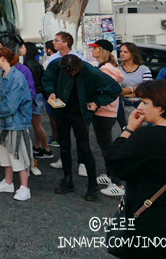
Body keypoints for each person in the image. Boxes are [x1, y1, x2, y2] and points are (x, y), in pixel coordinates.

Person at [106, 80, 166, 259]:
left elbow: (116, 163)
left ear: (162, 108)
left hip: (149, 218)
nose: (140, 107)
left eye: (145, 102)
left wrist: (128, 129)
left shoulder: (148, 137)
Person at [43, 53, 122, 201]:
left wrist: (98, 102)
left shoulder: (91, 71)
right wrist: (51, 91)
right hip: (62, 111)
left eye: (74, 71)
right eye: (69, 72)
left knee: (84, 148)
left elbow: (115, 88)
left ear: (79, 67)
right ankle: (67, 179)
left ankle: (92, 185)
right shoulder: (57, 65)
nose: (72, 74)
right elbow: (47, 78)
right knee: (64, 146)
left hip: (80, 113)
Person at [0, 47, 33, 201]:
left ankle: (24, 187)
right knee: (6, 154)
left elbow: (11, 104)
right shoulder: (2, 74)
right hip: (5, 121)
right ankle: (8, 183)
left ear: (2, 58)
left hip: (17, 122)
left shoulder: (17, 77)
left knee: (19, 154)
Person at [89, 40, 125, 197]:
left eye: (95, 48)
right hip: (107, 112)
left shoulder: (105, 69)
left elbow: (105, 91)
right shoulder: (109, 67)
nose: (92, 51)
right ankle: (110, 175)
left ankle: (117, 183)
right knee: (105, 145)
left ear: (101, 50)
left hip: (104, 111)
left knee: (107, 147)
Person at [45, 32, 84, 155]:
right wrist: (51, 91)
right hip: (58, 103)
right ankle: (63, 160)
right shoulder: (53, 58)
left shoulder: (78, 58)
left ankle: (82, 163)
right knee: (62, 135)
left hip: (76, 104)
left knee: (81, 138)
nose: (53, 42)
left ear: (66, 43)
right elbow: (48, 77)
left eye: (56, 40)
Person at [20, 42, 50, 158]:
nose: (21, 49)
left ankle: (46, 148)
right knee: (36, 123)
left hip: (35, 96)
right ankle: (38, 147)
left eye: (23, 47)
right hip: (39, 95)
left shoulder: (28, 64)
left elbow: (32, 83)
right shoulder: (34, 63)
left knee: (37, 124)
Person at [118, 42, 152, 120]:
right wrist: (135, 88)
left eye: (125, 52)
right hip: (124, 105)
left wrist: (129, 94)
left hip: (142, 103)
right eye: (121, 51)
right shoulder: (118, 70)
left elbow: (148, 89)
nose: (122, 54)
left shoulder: (144, 69)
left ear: (133, 54)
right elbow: (118, 90)